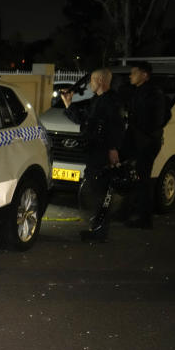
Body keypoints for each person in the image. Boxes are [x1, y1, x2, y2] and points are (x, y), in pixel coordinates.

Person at [60, 68, 124, 243]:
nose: (90, 84)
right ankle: (96, 228)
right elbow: (85, 120)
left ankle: (99, 231)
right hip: (95, 150)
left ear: (101, 80)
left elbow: (116, 127)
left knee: (100, 192)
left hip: (102, 153)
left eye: (93, 80)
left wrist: (112, 149)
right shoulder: (98, 100)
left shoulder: (111, 102)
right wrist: (69, 104)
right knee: (95, 190)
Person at [121, 61, 167, 229]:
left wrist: (147, 134)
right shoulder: (138, 91)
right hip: (139, 140)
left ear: (144, 75)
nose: (130, 75)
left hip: (146, 142)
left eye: (134, 72)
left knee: (143, 179)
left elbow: (159, 117)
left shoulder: (154, 93)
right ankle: (134, 213)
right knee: (137, 178)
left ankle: (144, 218)